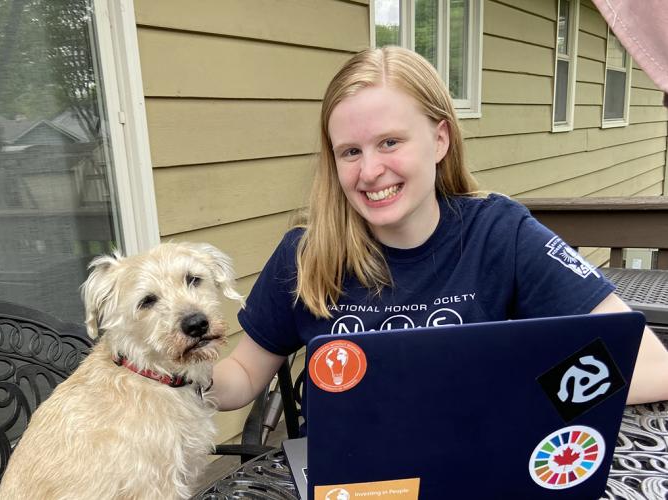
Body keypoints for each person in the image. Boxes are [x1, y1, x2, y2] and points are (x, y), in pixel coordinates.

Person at [212, 47, 668, 423]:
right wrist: (173, 375)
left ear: (440, 140)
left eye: (390, 142)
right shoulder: (305, 253)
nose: (370, 171)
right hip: (346, 479)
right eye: (350, 151)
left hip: (473, 467)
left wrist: (522, 395)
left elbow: (649, 363)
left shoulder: (498, 232)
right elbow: (242, 377)